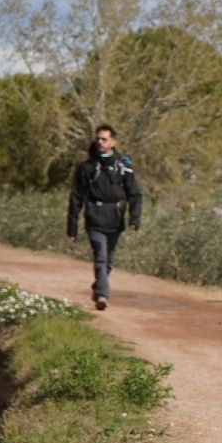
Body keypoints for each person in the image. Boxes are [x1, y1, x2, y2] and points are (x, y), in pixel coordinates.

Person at [66, 124, 142, 310]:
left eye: (104, 139)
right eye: (98, 139)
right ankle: (102, 295)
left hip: (115, 219)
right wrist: (72, 227)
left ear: (113, 142)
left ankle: (98, 285)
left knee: (107, 261)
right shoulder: (87, 167)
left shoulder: (123, 165)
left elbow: (135, 193)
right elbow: (76, 197)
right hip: (94, 218)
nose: (100, 142)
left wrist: (134, 218)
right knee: (100, 255)